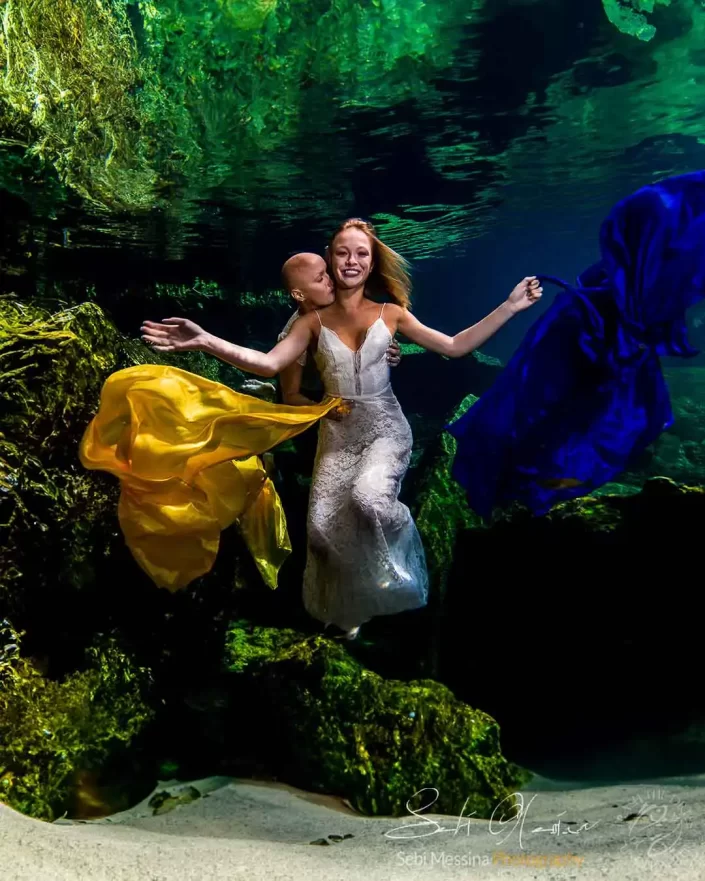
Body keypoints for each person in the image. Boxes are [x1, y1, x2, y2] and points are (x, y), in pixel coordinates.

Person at [141, 219, 542, 638]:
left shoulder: (391, 314)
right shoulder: (309, 323)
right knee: (320, 530)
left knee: (369, 499)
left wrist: (510, 305)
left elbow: (455, 346)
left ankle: (397, 566)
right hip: (337, 437)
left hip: (385, 427)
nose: (352, 261)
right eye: (342, 253)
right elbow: (268, 364)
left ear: (372, 263)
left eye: (361, 253)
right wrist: (205, 340)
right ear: (330, 260)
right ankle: (352, 612)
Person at [446, 169, 705, 519]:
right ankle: (513, 484)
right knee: (545, 414)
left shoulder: (631, 292)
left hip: (603, 332)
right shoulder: (605, 302)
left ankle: (517, 485)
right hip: (589, 332)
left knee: (560, 416)